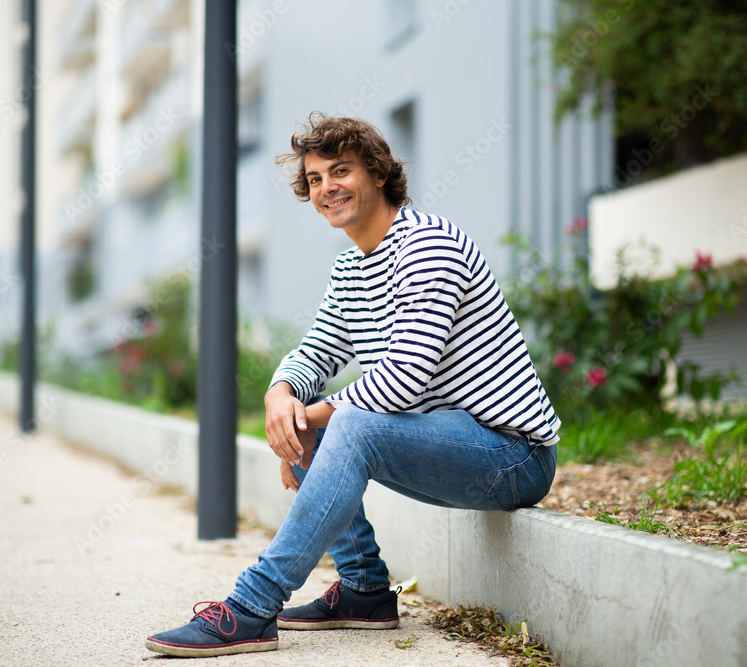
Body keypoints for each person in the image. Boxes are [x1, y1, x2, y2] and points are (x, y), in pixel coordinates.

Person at [145, 112, 561, 658]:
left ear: (379, 174)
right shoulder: (351, 267)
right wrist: (279, 396)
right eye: (315, 179)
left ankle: (252, 606)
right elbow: (316, 352)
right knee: (313, 414)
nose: (326, 188)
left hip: (513, 454)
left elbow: (401, 386)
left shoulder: (428, 246)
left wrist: (308, 418)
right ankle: (363, 590)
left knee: (345, 422)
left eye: (340, 171)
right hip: (452, 444)